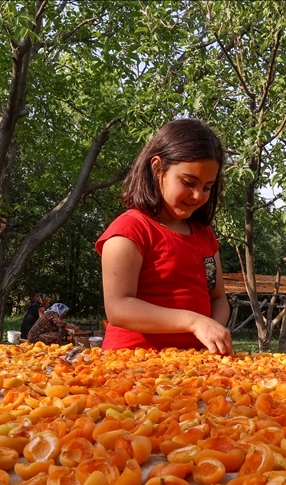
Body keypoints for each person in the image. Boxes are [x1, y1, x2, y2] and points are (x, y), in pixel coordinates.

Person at [96, 119, 233, 355]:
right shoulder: (130, 229)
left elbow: (218, 298)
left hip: (194, 369)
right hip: (131, 371)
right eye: (189, 182)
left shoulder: (205, 235)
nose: (198, 195)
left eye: (208, 187)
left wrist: (214, 328)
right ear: (157, 168)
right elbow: (118, 308)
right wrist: (195, 322)